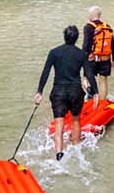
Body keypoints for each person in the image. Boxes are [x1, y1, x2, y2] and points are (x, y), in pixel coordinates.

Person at [33, 24, 88, 161]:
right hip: (76, 91)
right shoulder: (82, 54)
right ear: (77, 38)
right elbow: (89, 74)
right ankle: (76, 149)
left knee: (59, 123)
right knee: (76, 120)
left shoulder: (54, 52)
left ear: (64, 37)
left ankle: (59, 153)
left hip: (59, 92)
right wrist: (96, 92)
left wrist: (40, 91)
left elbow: (45, 72)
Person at [81, 7, 114, 106]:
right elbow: (112, 44)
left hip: (92, 58)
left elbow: (86, 45)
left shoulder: (88, 27)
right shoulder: (107, 26)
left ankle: (89, 96)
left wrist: (82, 59)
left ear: (91, 16)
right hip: (105, 58)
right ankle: (102, 103)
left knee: (86, 78)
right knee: (103, 80)